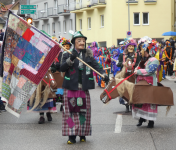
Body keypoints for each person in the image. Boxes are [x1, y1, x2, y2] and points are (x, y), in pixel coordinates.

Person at [60, 31, 108, 144]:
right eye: (79, 40)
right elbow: (62, 68)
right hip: (70, 87)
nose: (82, 42)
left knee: (83, 112)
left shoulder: (88, 55)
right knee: (69, 112)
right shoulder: (67, 53)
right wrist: (71, 59)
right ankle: (71, 135)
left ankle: (82, 134)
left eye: (83, 40)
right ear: (74, 43)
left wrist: (104, 75)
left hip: (83, 88)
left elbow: (97, 66)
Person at [133, 43, 159, 128]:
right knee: (142, 101)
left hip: (150, 84)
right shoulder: (143, 60)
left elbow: (150, 71)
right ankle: (141, 119)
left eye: (142, 49)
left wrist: (139, 71)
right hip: (141, 84)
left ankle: (151, 122)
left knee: (150, 102)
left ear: (146, 50)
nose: (140, 51)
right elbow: (141, 68)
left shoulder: (154, 60)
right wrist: (136, 69)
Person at [117, 39, 141, 112]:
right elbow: (117, 63)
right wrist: (122, 64)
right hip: (124, 76)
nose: (131, 47)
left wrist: (134, 65)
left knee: (133, 90)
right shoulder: (122, 55)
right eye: (129, 46)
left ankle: (132, 105)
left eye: (132, 46)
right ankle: (126, 105)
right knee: (124, 90)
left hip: (134, 75)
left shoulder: (137, 55)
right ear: (126, 47)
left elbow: (139, 64)